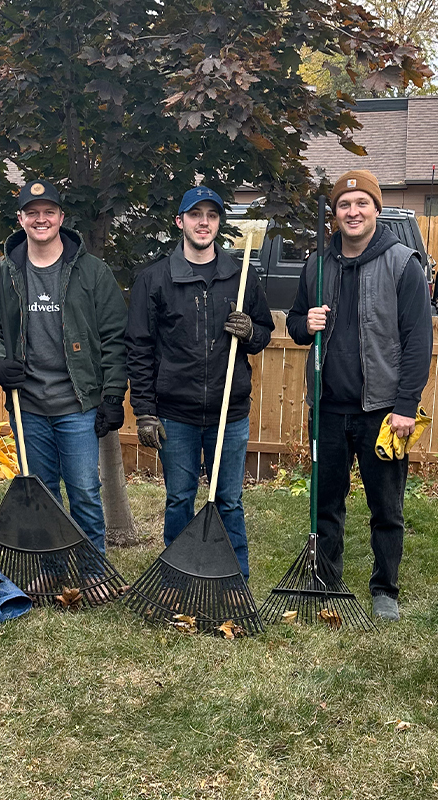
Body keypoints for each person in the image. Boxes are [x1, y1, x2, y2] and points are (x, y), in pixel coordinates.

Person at [287, 169, 433, 622]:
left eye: (361, 203)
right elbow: (294, 324)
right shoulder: (317, 264)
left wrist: (406, 406)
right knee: (324, 503)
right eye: (344, 205)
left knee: (386, 507)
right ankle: (326, 578)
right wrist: (305, 323)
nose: (353, 212)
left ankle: (385, 588)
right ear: (334, 214)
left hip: (382, 411)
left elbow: (418, 341)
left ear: (376, 209)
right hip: (328, 407)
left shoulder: (403, 263)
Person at [126, 187, 274, 580]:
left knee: (229, 500)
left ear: (219, 223)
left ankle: (234, 579)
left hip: (230, 413)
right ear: (180, 222)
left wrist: (250, 332)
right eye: (195, 215)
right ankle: (178, 578)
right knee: (179, 499)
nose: (203, 222)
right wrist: (144, 411)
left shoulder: (240, 277)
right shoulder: (155, 279)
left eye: (211, 215)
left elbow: (264, 333)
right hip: (176, 415)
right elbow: (139, 348)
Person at [0, 179, 128, 554]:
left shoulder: (92, 272)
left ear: (61, 217)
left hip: (77, 404)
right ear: (20, 219)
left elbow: (114, 338)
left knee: (84, 492)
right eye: (32, 213)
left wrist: (112, 396)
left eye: (48, 212)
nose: (40, 219)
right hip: (28, 405)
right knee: (42, 494)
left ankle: (93, 570)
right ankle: (53, 569)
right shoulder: (3, 275)